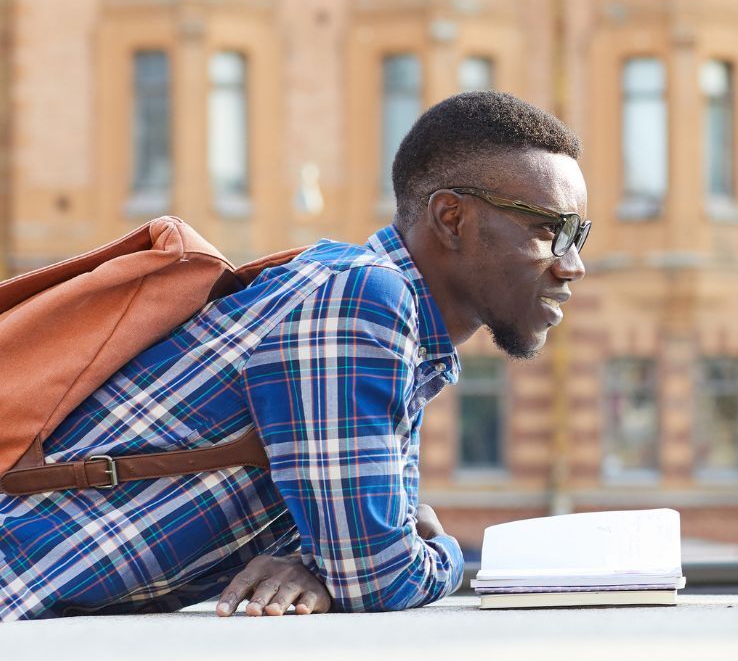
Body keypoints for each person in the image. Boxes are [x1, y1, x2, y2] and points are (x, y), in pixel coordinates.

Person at [0, 91, 588, 620]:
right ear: (451, 218)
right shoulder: (364, 301)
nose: (572, 265)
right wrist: (444, 558)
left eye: (578, 236)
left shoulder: (370, 305)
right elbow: (377, 571)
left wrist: (311, 564)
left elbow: (352, 553)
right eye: (548, 231)